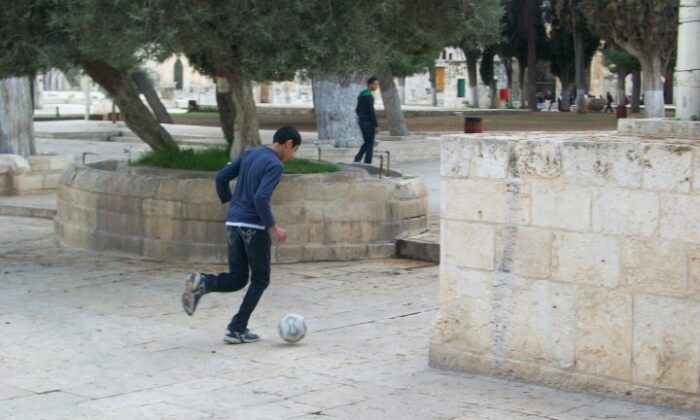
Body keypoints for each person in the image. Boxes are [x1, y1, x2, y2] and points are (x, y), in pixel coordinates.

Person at [181, 126, 302, 344]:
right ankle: (237, 328)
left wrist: (231, 204)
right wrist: (274, 228)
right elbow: (261, 198)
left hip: (233, 223)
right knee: (260, 279)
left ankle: (204, 282)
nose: (291, 156)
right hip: (253, 227)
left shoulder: (250, 154)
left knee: (238, 278)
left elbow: (221, 177)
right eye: (294, 151)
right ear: (289, 144)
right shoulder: (275, 164)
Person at [354, 77, 379, 164]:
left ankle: (357, 159)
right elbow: (371, 112)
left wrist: (361, 117)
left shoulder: (361, 94)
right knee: (370, 144)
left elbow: (357, 109)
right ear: (370, 84)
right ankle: (368, 162)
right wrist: (376, 125)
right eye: (375, 84)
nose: (377, 86)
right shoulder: (369, 96)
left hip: (361, 122)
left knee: (367, 142)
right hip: (368, 123)